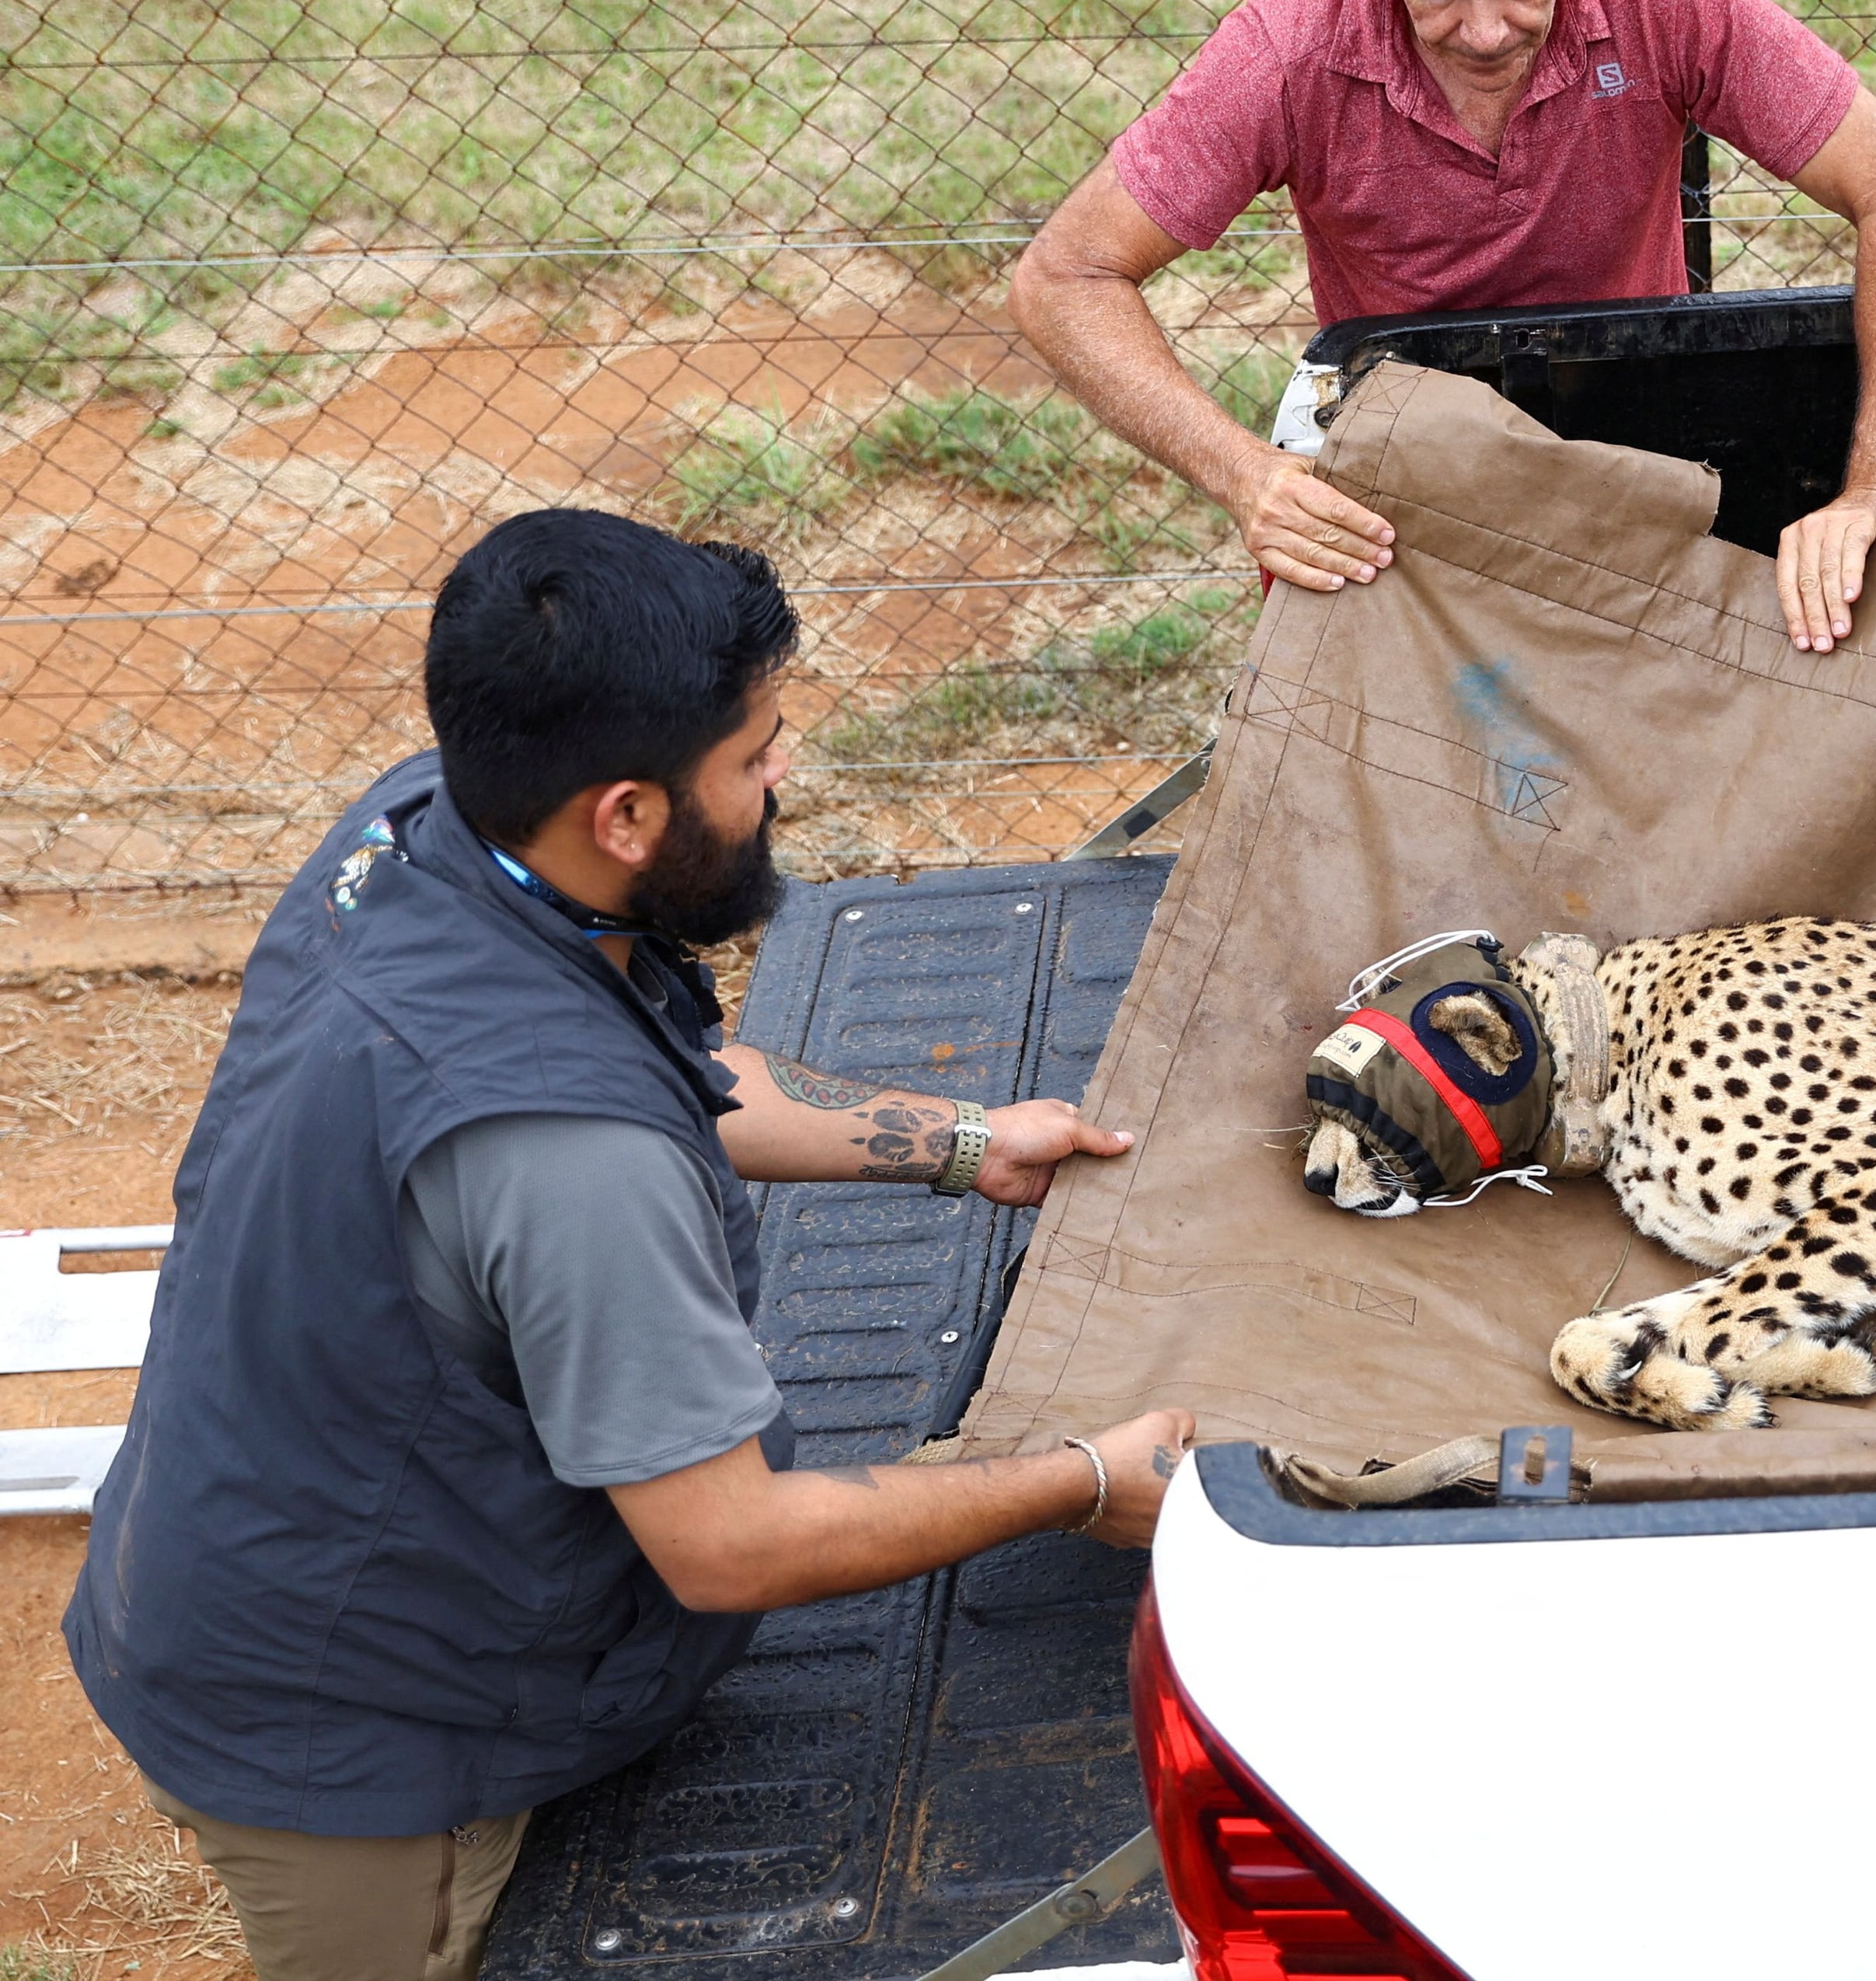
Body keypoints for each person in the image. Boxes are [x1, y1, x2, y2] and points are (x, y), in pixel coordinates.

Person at [66, 511, 1196, 1980]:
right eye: (752, 753)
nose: (782, 770)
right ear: (625, 818)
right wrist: (1087, 1480)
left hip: (250, 1522)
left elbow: (668, 1078)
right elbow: (728, 1544)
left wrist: (967, 1140)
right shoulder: (566, 1164)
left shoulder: (427, 829)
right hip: (349, 1734)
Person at [1010, 0, 1876, 655]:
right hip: (1409, 460)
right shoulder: (1288, 48)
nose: (1483, 29)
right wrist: (1246, 474)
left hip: (1631, 429)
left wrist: (1874, 491)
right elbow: (1064, 277)